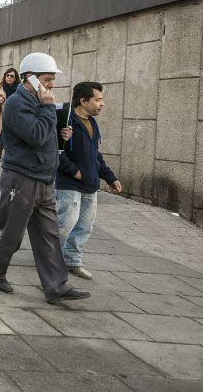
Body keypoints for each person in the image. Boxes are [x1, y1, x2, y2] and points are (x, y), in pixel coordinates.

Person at [0, 52, 90, 303]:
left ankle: (56, 287)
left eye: (52, 79)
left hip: (43, 179)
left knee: (49, 236)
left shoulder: (38, 102)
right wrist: (48, 109)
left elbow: (43, 135)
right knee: (13, 232)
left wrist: (59, 135)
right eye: (47, 79)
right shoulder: (16, 103)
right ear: (30, 77)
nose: (51, 84)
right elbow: (35, 136)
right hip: (21, 178)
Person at [55, 82, 122, 280]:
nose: (102, 104)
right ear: (83, 101)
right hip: (70, 184)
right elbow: (56, 151)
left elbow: (95, 155)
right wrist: (76, 172)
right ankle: (49, 258)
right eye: (98, 100)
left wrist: (110, 177)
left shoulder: (92, 123)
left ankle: (73, 261)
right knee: (65, 224)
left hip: (90, 185)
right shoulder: (66, 120)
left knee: (84, 227)